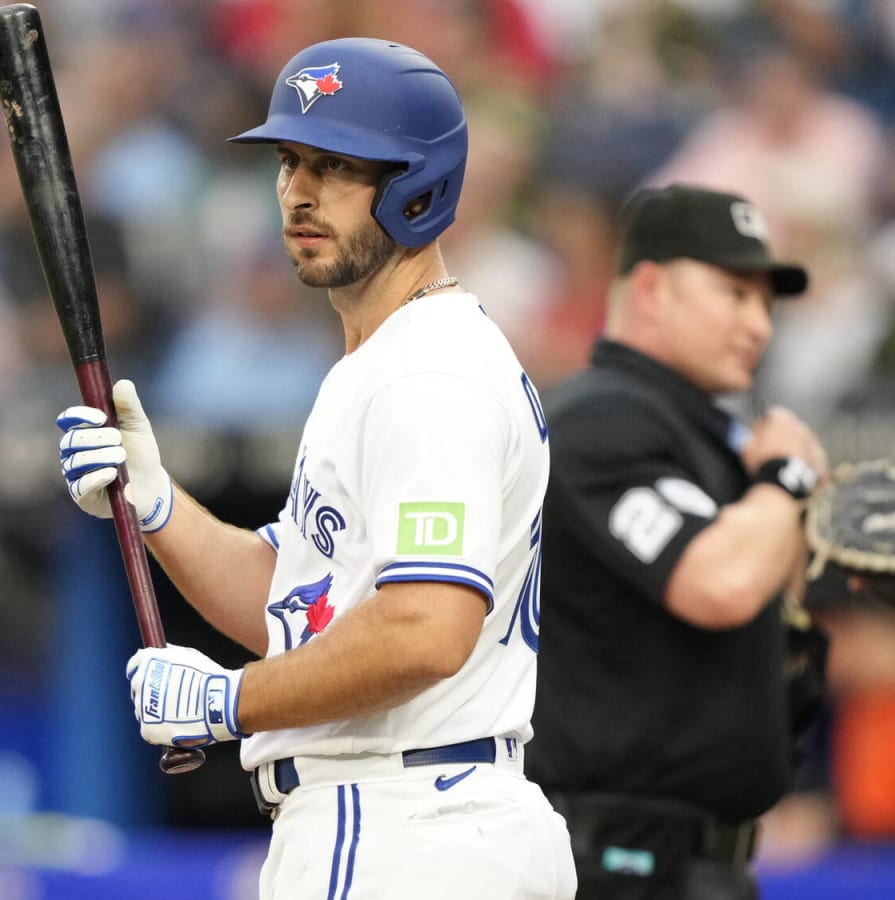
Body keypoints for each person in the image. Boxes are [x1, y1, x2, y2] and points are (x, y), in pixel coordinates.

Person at [55, 37, 576, 899]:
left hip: (411, 827)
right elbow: (299, 610)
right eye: (291, 161)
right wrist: (154, 504)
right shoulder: (385, 361)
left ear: (417, 184)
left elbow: (424, 628)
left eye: (336, 165)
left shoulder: (429, 372)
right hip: (414, 820)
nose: (298, 190)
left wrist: (228, 702)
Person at [525, 183, 831, 899]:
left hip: (700, 864)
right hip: (616, 860)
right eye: (733, 292)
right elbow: (717, 584)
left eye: (766, 301)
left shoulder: (704, 439)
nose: (759, 323)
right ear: (654, 288)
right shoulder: (602, 420)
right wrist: (785, 481)